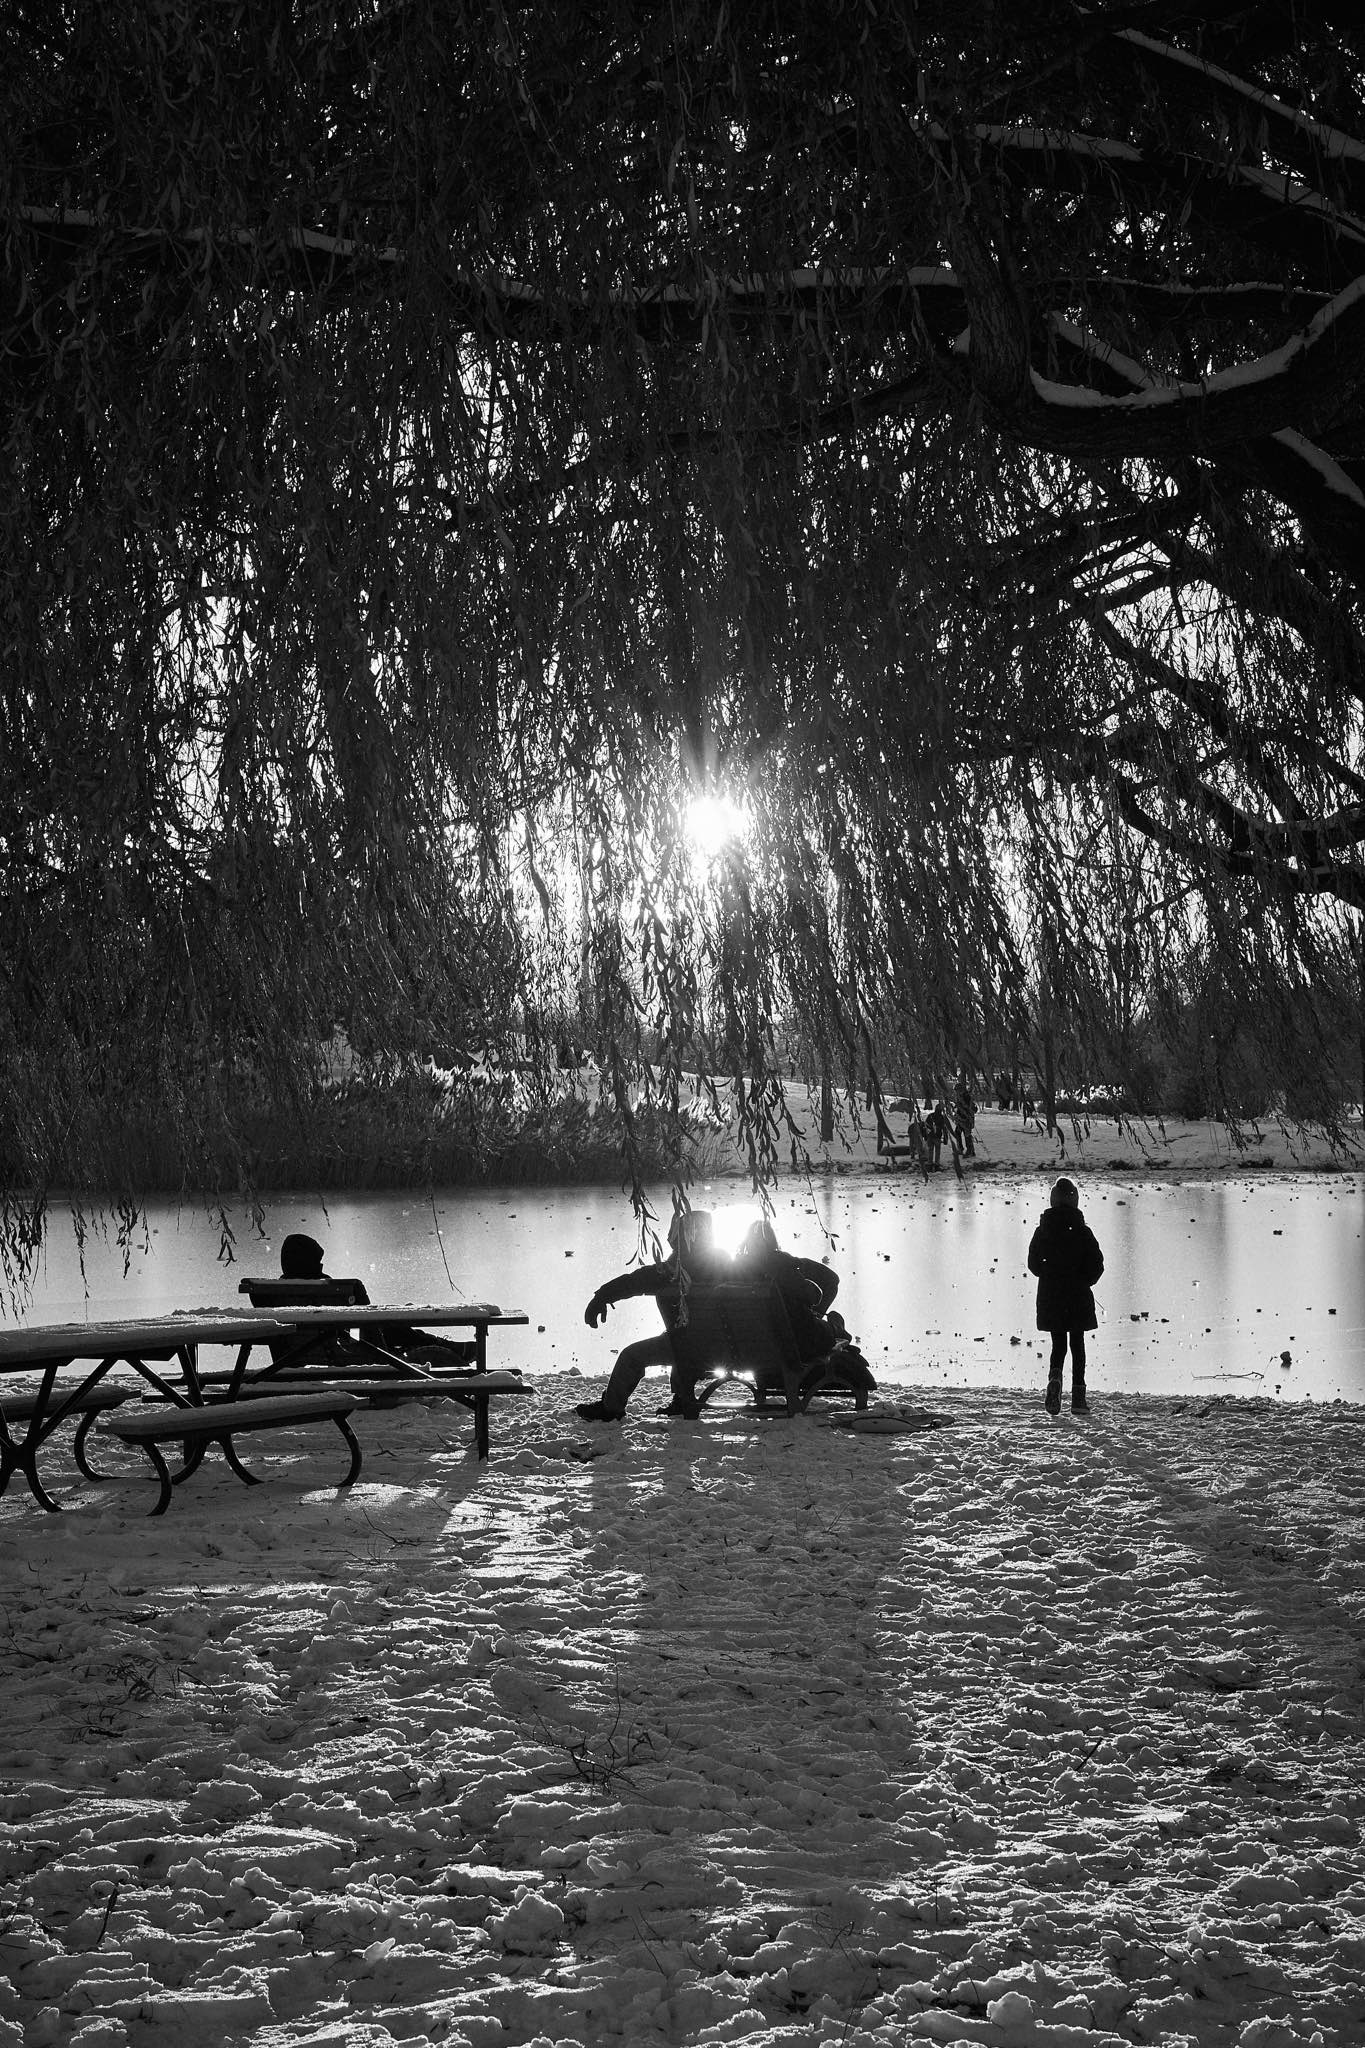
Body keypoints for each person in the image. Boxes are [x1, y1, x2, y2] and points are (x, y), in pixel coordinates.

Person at [574, 1209, 731, 1422]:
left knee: (633, 1356)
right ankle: (681, 1399)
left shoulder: (671, 1271)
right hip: (728, 1348)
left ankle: (611, 1408)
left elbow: (634, 1281)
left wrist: (601, 1298)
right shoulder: (727, 1265)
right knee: (678, 1336)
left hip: (692, 1349)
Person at [275, 1234, 474, 1371]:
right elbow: (364, 1320)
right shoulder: (332, 1288)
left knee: (381, 1326)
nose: (321, 1266)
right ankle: (449, 1348)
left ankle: (449, 1348)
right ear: (309, 1263)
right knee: (385, 1325)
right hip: (349, 1344)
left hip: (304, 1351)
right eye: (318, 1262)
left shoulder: (272, 1292)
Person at [733, 1220, 876, 1394]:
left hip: (750, 1347)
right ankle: (838, 1329)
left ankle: (836, 1327)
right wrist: (798, 1266)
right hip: (794, 1343)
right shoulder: (783, 1266)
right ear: (772, 1241)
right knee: (834, 1321)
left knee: (824, 1323)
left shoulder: (734, 1271)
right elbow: (815, 1294)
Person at [1027, 1179, 1105, 1414]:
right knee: (1077, 1345)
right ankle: (1079, 1398)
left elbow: (1033, 1263)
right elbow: (1097, 1265)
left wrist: (1049, 1275)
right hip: (1078, 1295)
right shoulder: (1082, 1231)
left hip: (1052, 1296)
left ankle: (1054, 1379)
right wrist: (1084, 1280)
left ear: (1053, 1200)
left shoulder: (1043, 1231)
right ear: (1075, 1200)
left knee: (1058, 1344)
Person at [954, 1076, 977, 1157]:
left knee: (967, 1135)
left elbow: (969, 1107)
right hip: (961, 1118)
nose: (956, 1092)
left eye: (957, 1091)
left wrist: (963, 1108)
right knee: (958, 1132)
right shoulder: (960, 1097)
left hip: (966, 1118)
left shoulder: (966, 1097)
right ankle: (961, 1148)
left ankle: (970, 1151)